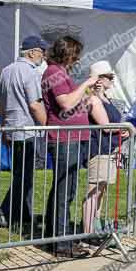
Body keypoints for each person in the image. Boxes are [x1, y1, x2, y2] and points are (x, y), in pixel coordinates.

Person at [42, 36, 100, 258]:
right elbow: (65, 102)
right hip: (65, 138)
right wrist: (86, 83)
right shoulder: (54, 72)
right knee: (65, 191)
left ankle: (54, 239)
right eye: (75, 55)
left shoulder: (60, 73)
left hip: (73, 136)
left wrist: (87, 97)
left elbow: (72, 103)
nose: (77, 59)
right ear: (67, 53)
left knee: (64, 189)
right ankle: (62, 244)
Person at [0, 36, 48, 233]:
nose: (42, 56)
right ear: (32, 52)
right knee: (24, 175)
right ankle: (6, 210)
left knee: (22, 174)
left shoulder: (6, 70)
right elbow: (35, 104)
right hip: (25, 129)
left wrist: (2, 128)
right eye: (41, 52)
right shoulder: (30, 72)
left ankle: (23, 213)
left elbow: (1, 104)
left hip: (10, 127)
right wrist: (47, 126)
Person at [82, 61, 132, 240]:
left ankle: (93, 227)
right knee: (93, 191)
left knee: (100, 192)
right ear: (99, 80)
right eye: (109, 76)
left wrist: (123, 131)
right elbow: (105, 126)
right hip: (99, 149)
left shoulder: (105, 99)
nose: (113, 79)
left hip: (109, 149)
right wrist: (124, 128)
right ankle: (88, 231)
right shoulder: (93, 99)